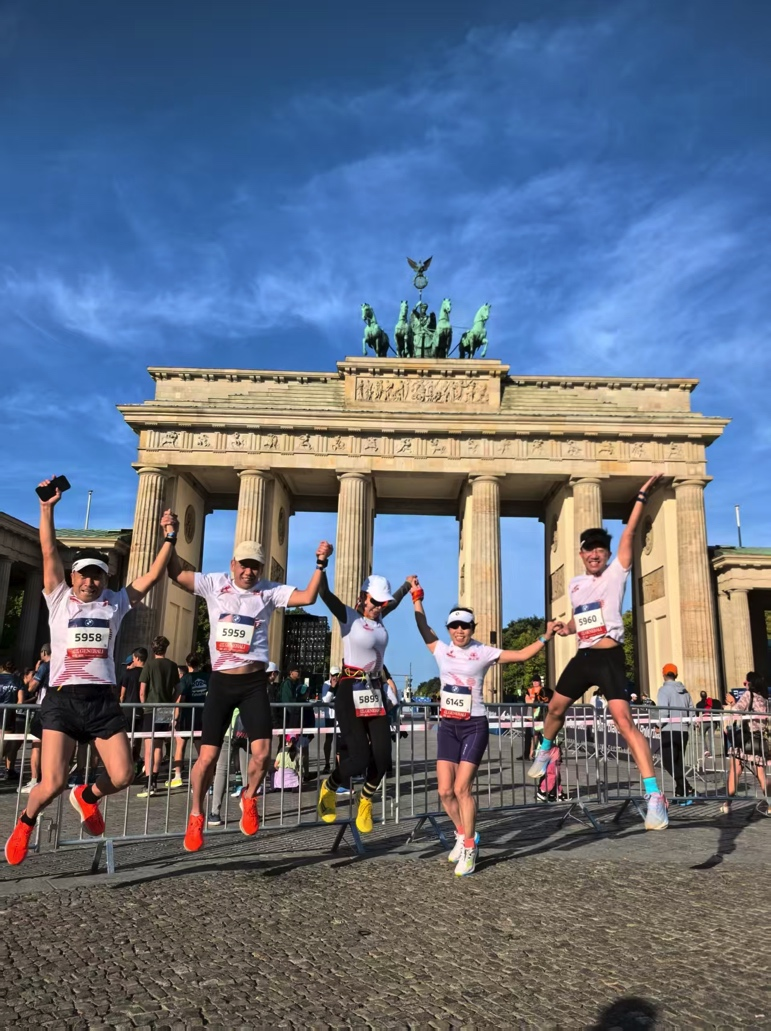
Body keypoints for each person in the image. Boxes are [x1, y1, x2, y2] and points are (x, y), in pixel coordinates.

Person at [4, 477, 178, 866]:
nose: (89, 581)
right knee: (51, 782)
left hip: (101, 700)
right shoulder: (58, 598)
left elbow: (151, 576)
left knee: (123, 775)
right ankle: (26, 822)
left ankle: (87, 796)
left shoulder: (115, 602)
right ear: (72, 576)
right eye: (83, 574)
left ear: (105, 579)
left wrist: (170, 537)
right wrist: (47, 509)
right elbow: (48, 549)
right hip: (63, 700)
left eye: (97, 575)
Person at [167, 536, 333, 852]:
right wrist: (171, 539)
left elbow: (309, 597)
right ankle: (196, 815)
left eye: (255, 566)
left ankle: (249, 797)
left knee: (262, 755)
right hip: (221, 683)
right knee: (207, 758)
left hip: (254, 684)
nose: (248, 571)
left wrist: (320, 563)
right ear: (233, 564)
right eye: (244, 565)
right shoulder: (214, 583)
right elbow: (176, 574)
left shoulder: (269, 590)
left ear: (261, 569)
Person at [528, 475, 670, 831]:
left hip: (609, 658)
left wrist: (641, 496)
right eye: (589, 550)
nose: (594, 555)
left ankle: (654, 796)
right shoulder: (575, 584)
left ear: (607, 555)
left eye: (600, 551)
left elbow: (629, 534)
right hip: (584, 656)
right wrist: (566, 628)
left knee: (624, 722)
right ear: (581, 554)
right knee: (554, 708)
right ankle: (545, 749)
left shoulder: (616, 573)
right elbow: (583, 619)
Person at [412, 585, 560, 876]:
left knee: (461, 789)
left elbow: (521, 655)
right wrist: (416, 598)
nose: (460, 631)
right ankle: (462, 833)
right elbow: (422, 626)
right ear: (449, 628)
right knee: (444, 791)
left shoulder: (483, 651)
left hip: (474, 725)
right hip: (448, 726)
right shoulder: (441, 650)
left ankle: (470, 847)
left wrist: (545, 636)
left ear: (473, 628)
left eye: (465, 626)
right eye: (455, 626)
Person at [316, 572, 413, 833]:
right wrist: (321, 564)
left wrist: (407, 585)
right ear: (362, 597)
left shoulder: (379, 616)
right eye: (375, 601)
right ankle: (330, 786)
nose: (379, 607)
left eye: (383, 603)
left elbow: (395, 601)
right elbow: (324, 593)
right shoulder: (349, 616)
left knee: (382, 759)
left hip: (373, 690)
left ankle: (365, 799)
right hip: (350, 688)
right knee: (359, 758)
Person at [721, 673, 769, 815]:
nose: (744, 685)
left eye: (745, 682)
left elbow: (737, 710)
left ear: (750, 684)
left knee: (735, 771)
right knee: (761, 774)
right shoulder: (764, 699)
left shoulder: (749, 695)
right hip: (759, 740)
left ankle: (728, 803)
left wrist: (732, 703)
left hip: (745, 739)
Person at [137, 635, 179, 797]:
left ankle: (148, 783)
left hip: (150, 708)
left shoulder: (149, 665)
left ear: (153, 649)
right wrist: (172, 702)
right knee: (159, 746)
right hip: (165, 708)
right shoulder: (172, 666)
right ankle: (154, 780)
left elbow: (142, 690)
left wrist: (143, 706)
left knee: (149, 747)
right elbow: (178, 688)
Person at [168, 653, 210, 787]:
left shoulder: (186, 678)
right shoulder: (207, 677)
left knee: (180, 745)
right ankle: (203, 775)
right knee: (200, 748)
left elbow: (179, 698)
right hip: (202, 715)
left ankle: (177, 776)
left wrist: (175, 716)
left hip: (186, 716)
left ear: (187, 664)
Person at [656, 664, 695, 800]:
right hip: (683, 730)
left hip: (669, 729)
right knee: (678, 762)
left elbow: (664, 712)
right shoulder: (685, 691)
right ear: (676, 675)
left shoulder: (663, 690)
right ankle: (680, 792)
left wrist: (658, 725)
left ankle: (686, 786)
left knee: (668, 762)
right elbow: (691, 711)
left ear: (664, 674)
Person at [119, 647, 147, 772]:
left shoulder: (128, 673)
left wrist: (120, 705)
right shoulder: (147, 672)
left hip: (128, 709)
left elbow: (122, 694)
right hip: (142, 709)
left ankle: (126, 763)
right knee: (138, 737)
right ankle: (135, 760)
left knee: (127, 737)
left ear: (136, 658)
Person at [319, 667, 340, 773]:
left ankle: (338, 765)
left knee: (339, 741)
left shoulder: (341, 683)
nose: (335, 677)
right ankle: (327, 764)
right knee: (328, 740)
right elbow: (326, 700)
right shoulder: (326, 684)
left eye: (337, 675)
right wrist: (332, 687)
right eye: (333, 675)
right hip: (329, 716)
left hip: (339, 716)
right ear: (330, 675)